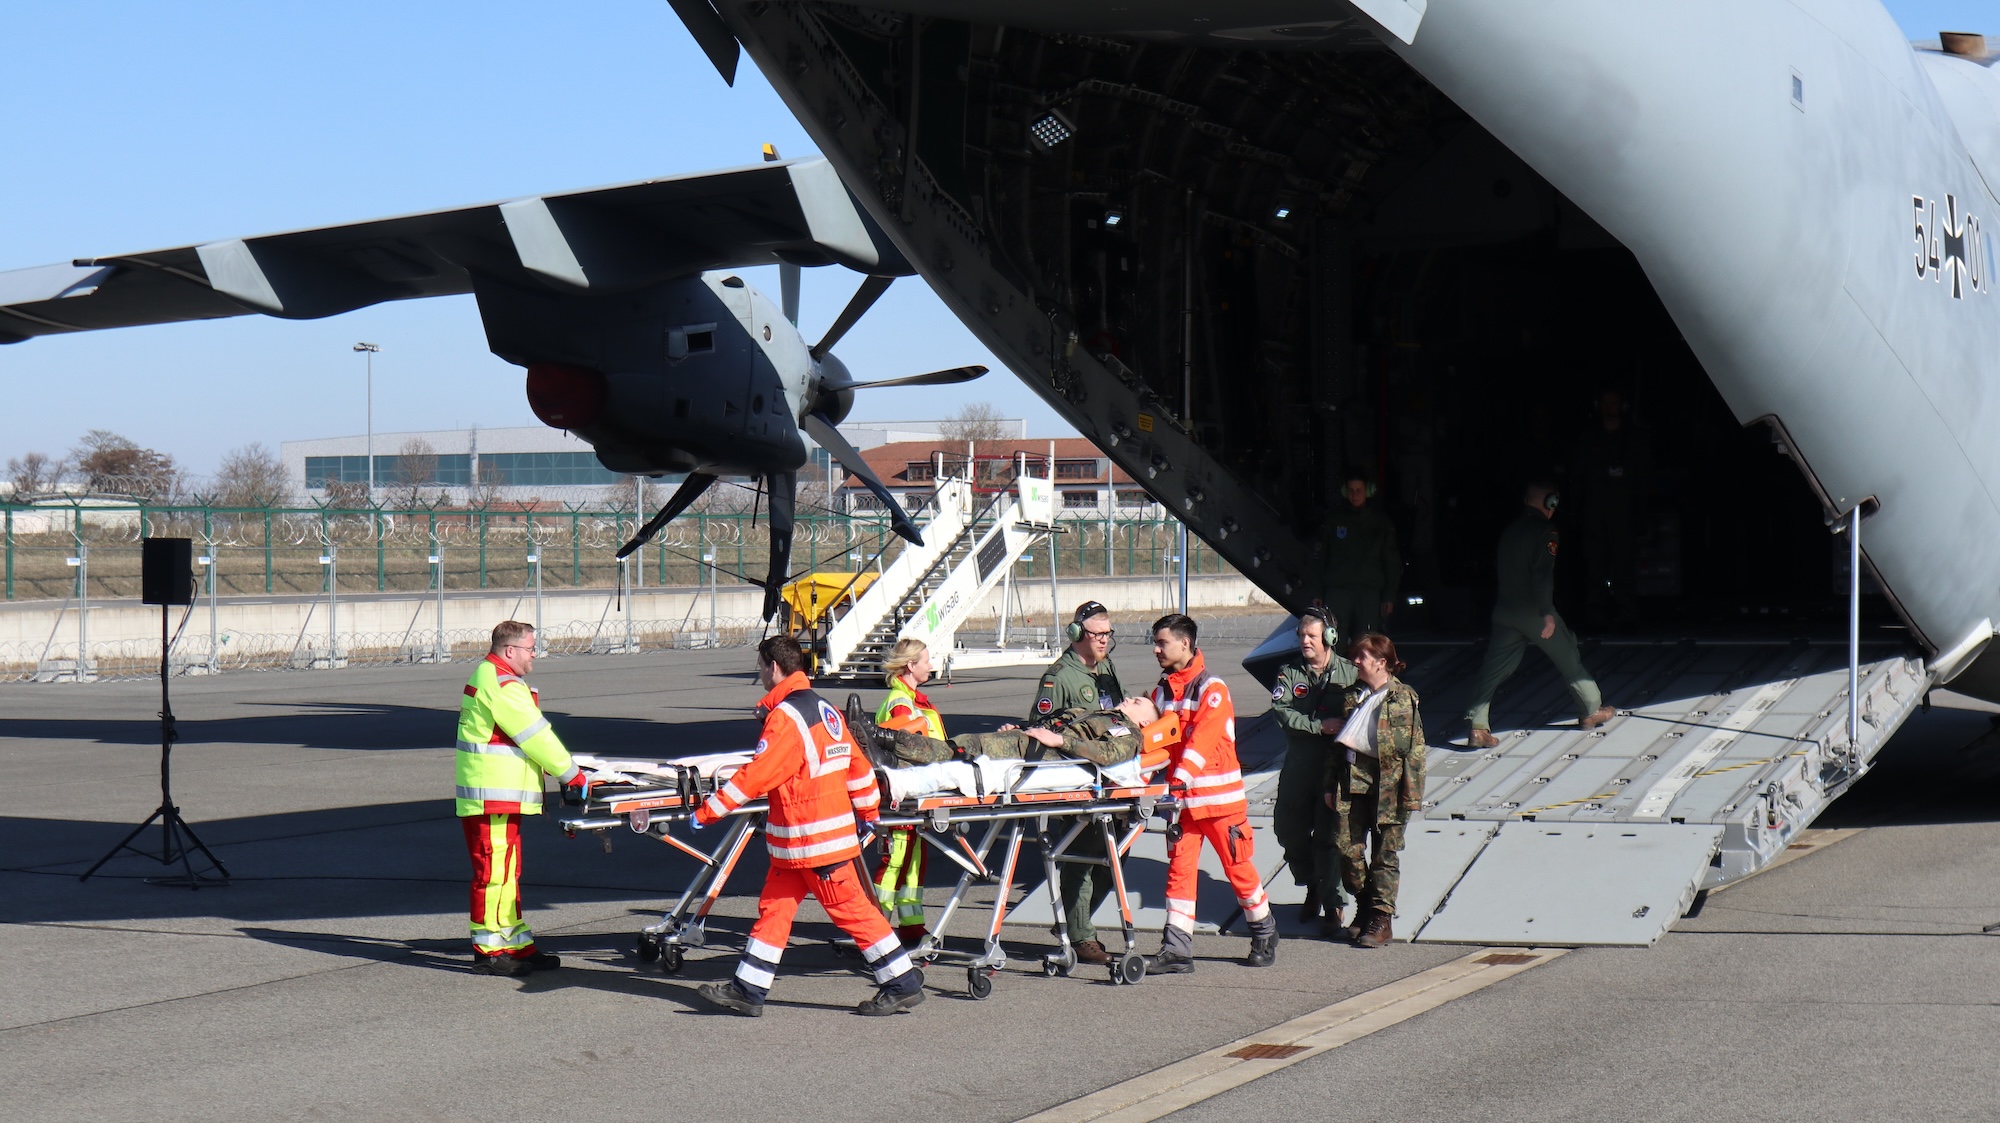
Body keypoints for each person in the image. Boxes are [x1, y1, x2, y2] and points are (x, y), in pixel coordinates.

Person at [693, 635, 924, 1018]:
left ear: (774, 667)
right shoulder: (825, 710)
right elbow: (859, 770)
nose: (761, 675)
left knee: (851, 911)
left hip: (811, 841)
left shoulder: (785, 718)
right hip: (802, 844)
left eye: (761, 668)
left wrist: (708, 811)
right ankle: (748, 989)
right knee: (775, 911)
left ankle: (902, 982)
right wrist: (869, 815)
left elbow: (757, 776)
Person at [1142, 614, 1279, 973]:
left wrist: (1178, 779)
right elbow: (1154, 746)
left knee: (1239, 871)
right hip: (1183, 805)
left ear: (1184, 644)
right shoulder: (1160, 692)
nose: (1156, 650)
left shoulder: (1212, 689)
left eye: (1162, 643)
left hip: (1219, 806)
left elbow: (1202, 741)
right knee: (1179, 873)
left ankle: (1264, 931)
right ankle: (1176, 950)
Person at [454, 620, 587, 976]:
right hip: (492, 796)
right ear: (509, 651)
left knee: (505, 873)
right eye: (530, 649)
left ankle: (514, 944)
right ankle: (489, 949)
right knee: (494, 874)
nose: (534, 656)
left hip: (495, 796)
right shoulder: (502, 683)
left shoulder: (492, 676)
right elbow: (536, 736)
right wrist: (571, 773)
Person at [1465, 482, 1615, 748]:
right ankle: (1591, 709)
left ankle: (1477, 725)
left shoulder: (1510, 530)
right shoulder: (1546, 531)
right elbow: (1542, 575)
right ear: (1551, 503)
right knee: (1568, 656)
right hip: (1534, 612)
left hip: (1505, 611)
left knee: (1492, 670)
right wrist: (1546, 612)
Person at [1029, 601, 1124, 964]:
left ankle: (1074, 921)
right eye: (1098, 634)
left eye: (1108, 633)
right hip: (1077, 780)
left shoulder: (1106, 670)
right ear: (1077, 634)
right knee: (1082, 857)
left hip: (1110, 778)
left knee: (1115, 858)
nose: (1104, 640)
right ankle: (1082, 936)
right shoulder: (1059, 677)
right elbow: (1042, 729)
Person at [1323, 633, 1427, 948]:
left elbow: (1415, 750)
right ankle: (1366, 904)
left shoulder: (1403, 698)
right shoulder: (1353, 697)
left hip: (1389, 788)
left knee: (1385, 855)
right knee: (1348, 851)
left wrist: (1413, 794)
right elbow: (1337, 748)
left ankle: (1381, 920)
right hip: (1352, 782)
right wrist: (1329, 785)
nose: (1355, 662)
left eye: (1362, 657)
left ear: (1381, 663)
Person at [1267, 606, 1357, 938]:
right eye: (1301, 635)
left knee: (1330, 834)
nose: (1305, 641)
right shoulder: (1289, 673)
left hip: (1334, 767)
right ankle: (1311, 883)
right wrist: (1320, 726)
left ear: (1329, 637)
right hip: (1300, 764)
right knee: (1288, 829)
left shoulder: (1349, 673)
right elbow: (1282, 712)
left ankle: (1334, 903)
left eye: (1311, 635)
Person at [866, 695, 1168, 768]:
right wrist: (1022, 728)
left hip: (1041, 753)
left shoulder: (1128, 733)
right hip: (1029, 742)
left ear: (1144, 721)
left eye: (1137, 702)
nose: (1129, 699)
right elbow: (1056, 724)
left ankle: (882, 740)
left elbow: (1107, 754)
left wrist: (1060, 740)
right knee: (958, 748)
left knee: (958, 750)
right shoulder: (1101, 715)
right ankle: (883, 748)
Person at [872, 638, 943, 942]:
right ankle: (875, 928)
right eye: (926, 660)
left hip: (916, 792)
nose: (931, 665)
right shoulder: (901, 703)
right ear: (911, 665)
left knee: (913, 862)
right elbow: (903, 745)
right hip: (904, 793)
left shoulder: (913, 699)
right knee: (896, 861)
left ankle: (911, 925)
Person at [1569, 388, 1654, 628]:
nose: (1609, 408)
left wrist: (1641, 513)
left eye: (1614, 403)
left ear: (1622, 405)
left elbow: (1644, 478)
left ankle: (1627, 613)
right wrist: (1576, 509)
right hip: (1595, 513)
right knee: (1595, 566)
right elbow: (1578, 476)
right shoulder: (1588, 437)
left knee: (1624, 566)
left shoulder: (1635, 438)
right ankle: (1595, 615)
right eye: (1606, 403)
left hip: (1624, 514)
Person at [1315, 471, 1402, 637]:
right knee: (1334, 639)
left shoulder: (1381, 522)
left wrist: (1389, 596)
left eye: (1359, 490)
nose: (1354, 495)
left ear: (1368, 491)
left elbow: (1391, 561)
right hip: (1338, 591)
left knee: (1367, 641)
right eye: (1351, 490)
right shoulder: (1333, 519)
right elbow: (1321, 558)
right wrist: (1317, 592)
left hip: (1368, 592)